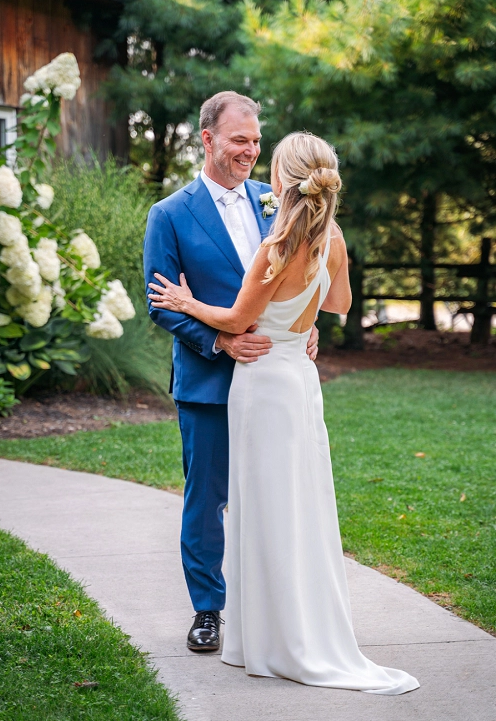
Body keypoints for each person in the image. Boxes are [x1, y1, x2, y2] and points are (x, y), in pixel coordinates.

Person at [148, 131, 420, 694]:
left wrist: (185, 301)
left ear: (282, 180)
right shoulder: (331, 240)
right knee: (301, 503)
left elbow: (239, 317)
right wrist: (303, 316)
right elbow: (339, 303)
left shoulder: (276, 247)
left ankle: (274, 637)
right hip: (298, 380)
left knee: (264, 506)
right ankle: (288, 624)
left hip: (264, 383)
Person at [143, 92, 319, 652]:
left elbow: (310, 273)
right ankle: (208, 610)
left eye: (256, 141)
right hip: (208, 384)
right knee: (207, 499)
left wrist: (305, 322)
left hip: (273, 381)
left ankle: (272, 608)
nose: (251, 150)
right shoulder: (168, 214)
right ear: (209, 139)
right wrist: (218, 340)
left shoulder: (279, 199)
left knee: (272, 494)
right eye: (240, 140)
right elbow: (161, 301)